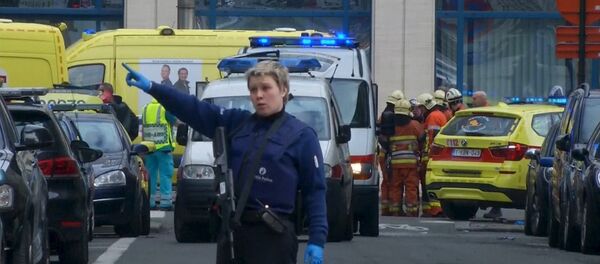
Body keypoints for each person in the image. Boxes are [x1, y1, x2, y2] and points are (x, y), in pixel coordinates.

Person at [123, 61, 327, 264]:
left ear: (283, 90)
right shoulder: (237, 123)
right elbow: (193, 109)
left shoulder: (301, 136)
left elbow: (315, 191)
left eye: (266, 88)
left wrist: (317, 240)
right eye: (253, 89)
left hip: (273, 236)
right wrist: (153, 87)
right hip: (234, 234)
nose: (259, 95)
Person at [389, 99, 424, 217]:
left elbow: (384, 141)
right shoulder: (415, 125)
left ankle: (395, 210)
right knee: (411, 187)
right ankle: (412, 211)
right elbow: (422, 140)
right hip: (411, 164)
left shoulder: (391, 126)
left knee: (395, 187)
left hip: (395, 164)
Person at [141, 99, 176, 211]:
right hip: (163, 147)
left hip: (149, 147)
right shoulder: (164, 108)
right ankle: (165, 203)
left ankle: (150, 202)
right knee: (166, 174)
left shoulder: (145, 108)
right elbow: (174, 121)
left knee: (151, 175)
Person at [416, 93, 447, 217]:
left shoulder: (432, 117)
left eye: (421, 108)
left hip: (430, 157)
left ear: (425, 107)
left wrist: (425, 158)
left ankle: (434, 210)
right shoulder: (439, 114)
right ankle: (432, 209)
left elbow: (430, 138)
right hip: (437, 156)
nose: (420, 110)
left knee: (428, 184)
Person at [378, 90, 404, 216]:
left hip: (383, 153)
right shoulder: (395, 118)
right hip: (391, 153)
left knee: (386, 181)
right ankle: (394, 209)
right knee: (393, 182)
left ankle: (386, 208)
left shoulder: (382, 115)